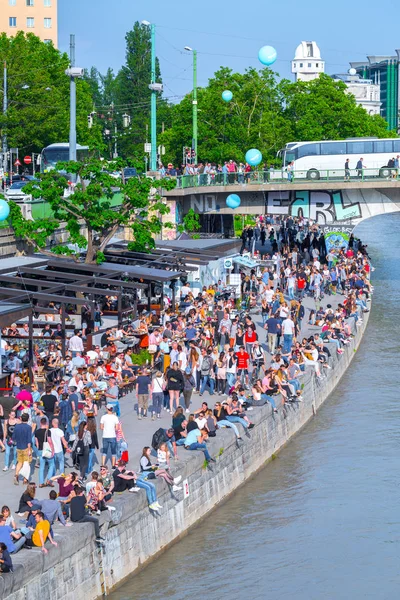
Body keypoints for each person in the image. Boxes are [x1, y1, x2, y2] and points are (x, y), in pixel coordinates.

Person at [11, 413, 32, 486]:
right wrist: (29, 450)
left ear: (21, 418)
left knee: (19, 462)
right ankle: (25, 479)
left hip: (18, 447)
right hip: (26, 447)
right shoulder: (28, 427)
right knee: (27, 463)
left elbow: (13, 437)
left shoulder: (16, 426)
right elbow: (29, 440)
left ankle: (16, 475)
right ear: (28, 419)